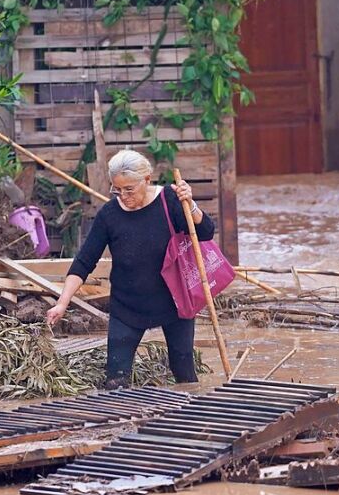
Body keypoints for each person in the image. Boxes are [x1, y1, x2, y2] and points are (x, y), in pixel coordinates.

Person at [46, 150, 215, 388]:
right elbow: (84, 262)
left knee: (184, 374)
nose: (123, 196)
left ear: (147, 180)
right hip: (127, 307)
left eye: (129, 190)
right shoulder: (109, 215)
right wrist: (62, 302)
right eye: (117, 190)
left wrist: (192, 205)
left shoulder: (170, 200)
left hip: (174, 303)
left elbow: (206, 232)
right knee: (116, 380)